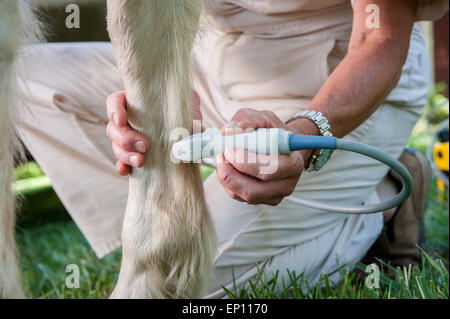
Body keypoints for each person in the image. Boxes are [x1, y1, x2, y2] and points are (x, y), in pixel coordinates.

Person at [17, 0, 448, 297]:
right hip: (211, 60)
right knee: (26, 80)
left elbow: (379, 37)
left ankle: (381, 201)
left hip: (335, 80)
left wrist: (305, 136)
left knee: (185, 286)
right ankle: (153, 229)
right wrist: (160, 91)